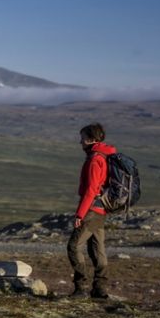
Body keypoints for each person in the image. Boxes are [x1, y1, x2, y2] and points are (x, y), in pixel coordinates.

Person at [67, 123, 116, 299]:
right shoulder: (106, 155)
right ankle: (100, 289)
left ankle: (82, 288)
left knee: (73, 246)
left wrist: (80, 214)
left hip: (92, 209)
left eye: (82, 138)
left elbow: (91, 189)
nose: (80, 142)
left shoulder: (95, 159)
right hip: (102, 209)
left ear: (90, 139)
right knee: (97, 249)